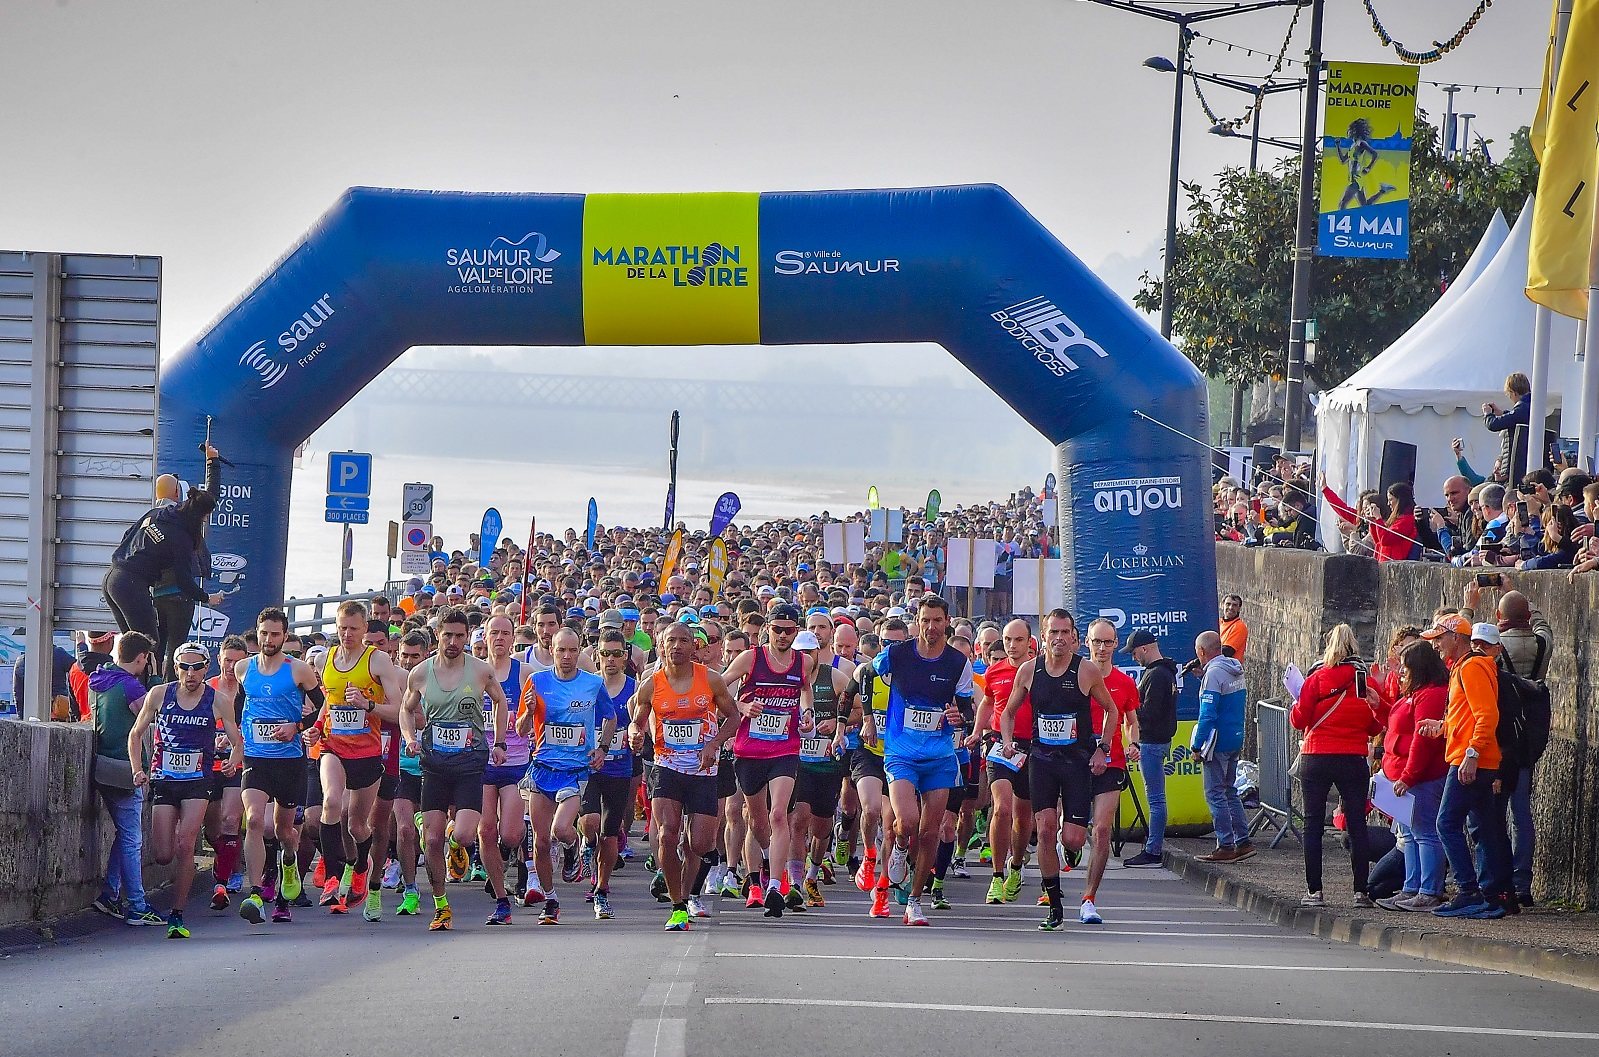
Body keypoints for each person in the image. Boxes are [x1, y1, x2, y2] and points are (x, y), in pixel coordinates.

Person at [1000, 608, 1116, 930]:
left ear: (1074, 638)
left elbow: (1111, 710)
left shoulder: (1086, 670)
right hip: (1043, 761)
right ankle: (1054, 907)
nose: (1059, 639)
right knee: (1046, 827)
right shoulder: (1028, 671)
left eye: (1065, 633)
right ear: (1044, 637)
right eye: (1054, 632)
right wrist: (1008, 741)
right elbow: (1008, 713)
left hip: (1077, 762)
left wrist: (1102, 749)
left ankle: (1071, 848)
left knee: (1075, 839)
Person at [399, 606, 510, 931]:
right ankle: (441, 905)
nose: (452, 641)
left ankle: (453, 835)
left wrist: (500, 742)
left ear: (466, 637)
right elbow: (407, 709)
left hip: (469, 764)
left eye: (459, 636)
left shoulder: (480, 670)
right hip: (433, 764)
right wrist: (409, 737)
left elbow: (501, 701)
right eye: (447, 635)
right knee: (431, 841)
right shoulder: (420, 672)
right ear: (438, 635)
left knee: (462, 835)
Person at [628, 620, 741, 930]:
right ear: (661, 646)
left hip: (704, 770)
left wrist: (714, 744)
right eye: (670, 641)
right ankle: (677, 905)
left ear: (695, 647)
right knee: (666, 832)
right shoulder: (651, 684)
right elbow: (637, 721)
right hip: (667, 767)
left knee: (701, 844)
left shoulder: (712, 680)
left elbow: (734, 717)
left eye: (682, 641)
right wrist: (635, 734)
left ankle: (689, 889)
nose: (676, 646)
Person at [871, 594, 975, 927]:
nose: (931, 627)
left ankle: (914, 901)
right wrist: (868, 720)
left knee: (931, 833)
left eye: (937, 620)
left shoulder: (958, 662)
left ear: (947, 622)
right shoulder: (898, 654)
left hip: (940, 756)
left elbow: (968, 709)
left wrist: (962, 719)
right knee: (908, 822)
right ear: (917, 621)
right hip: (901, 752)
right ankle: (900, 846)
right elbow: (864, 673)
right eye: (925, 620)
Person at [127, 641, 243, 938]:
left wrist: (232, 761)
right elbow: (136, 733)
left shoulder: (217, 700)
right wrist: (137, 769)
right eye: (184, 667)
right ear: (176, 668)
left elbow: (236, 738)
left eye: (197, 668)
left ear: (207, 668)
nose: (190, 673)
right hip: (165, 779)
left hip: (198, 781)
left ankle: (177, 915)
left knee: (185, 844)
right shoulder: (158, 694)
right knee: (164, 854)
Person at [306, 600, 403, 919]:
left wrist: (367, 704)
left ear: (365, 629)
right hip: (334, 747)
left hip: (368, 753)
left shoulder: (379, 662)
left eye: (353, 628)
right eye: (342, 628)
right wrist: (317, 729)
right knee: (331, 802)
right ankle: (333, 876)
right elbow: (329, 705)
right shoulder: (327, 658)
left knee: (357, 824)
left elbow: (399, 710)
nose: (347, 634)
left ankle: (361, 866)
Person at [720, 602, 815, 919]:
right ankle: (762, 859)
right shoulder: (752, 657)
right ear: (768, 630)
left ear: (796, 632)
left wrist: (808, 712)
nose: (784, 636)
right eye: (778, 630)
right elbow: (721, 686)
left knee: (778, 816)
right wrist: (741, 708)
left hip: (785, 749)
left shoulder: (803, 661)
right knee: (757, 821)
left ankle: (776, 884)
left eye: (790, 631)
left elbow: (805, 691)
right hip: (749, 751)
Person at [1417, 615, 1514, 918]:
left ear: (1456, 639)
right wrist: (1444, 727)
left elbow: (1487, 715)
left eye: (1439, 639)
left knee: (1446, 823)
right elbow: (1469, 715)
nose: (1435, 645)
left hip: (1470, 759)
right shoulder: (1466, 667)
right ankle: (1493, 893)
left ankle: (1468, 890)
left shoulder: (1471, 667)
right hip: (1474, 756)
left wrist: (1471, 753)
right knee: (1484, 827)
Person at [235, 607, 323, 925]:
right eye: (264, 633)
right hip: (256, 759)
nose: (268, 639)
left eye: (275, 634)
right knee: (256, 820)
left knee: (285, 831)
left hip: (289, 761)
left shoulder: (299, 670)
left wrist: (296, 727)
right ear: (257, 633)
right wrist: (236, 742)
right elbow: (237, 707)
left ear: (284, 636)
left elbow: (321, 707)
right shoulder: (244, 668)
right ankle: (256, 893)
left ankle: (287, 871)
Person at [516, 627, 607, 926]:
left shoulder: (593, 684)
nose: (567, 656)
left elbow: (611, 716)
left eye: (572, 650)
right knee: (540, 843)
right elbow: (520, 730)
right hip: (543, 767)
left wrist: (602, 747)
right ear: (551, 651)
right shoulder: (537, 681)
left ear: (580, 651)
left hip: (575, 771)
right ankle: (551, 900)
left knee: (560, 829)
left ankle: (572, 848)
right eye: (561, 650)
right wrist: (529, 712)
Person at [1289, 624, 1382, 908]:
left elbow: (1299, 720)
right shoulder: (1366, 682)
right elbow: (1375, 724)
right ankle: (1360, 892)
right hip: (1353, 757)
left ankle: (1314, 891)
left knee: (1312, 823)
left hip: (1317, 755)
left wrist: (1297, 704)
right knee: (1356, 824)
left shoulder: (1317, 679)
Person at [103, 444, 224, 643]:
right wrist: (206, 598)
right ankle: (151, 675)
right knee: (148, 645)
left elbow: (127, 535)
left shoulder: (156, 514)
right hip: (142, 587)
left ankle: (133, 675)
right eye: (204, 518)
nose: (204, 521)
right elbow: (184, 579)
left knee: (135, 646)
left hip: (113, 578)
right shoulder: (181, 537)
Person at [88, 632, 164, 926]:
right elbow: (154, 712)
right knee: (132, 838)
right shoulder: (131, 686)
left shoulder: (98, 680)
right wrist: (156, 681)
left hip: (102, 765)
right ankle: (137, 904)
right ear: (142, 658)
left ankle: (109, 894)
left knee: (124, 834)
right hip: (126, 768)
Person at [1375, 641, 1450, 911]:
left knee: (1424, 833)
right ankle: (1412, 886)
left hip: (1422, 777)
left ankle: (1428, 889)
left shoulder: (1431, 695)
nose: (1401, 674)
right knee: (1410, 834)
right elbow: (1399, 723)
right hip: (1405, 774)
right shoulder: (1418, 692)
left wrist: (1408, 776)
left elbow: (1423, 741)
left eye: (1406, 669)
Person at [967, 618, 1033, 901]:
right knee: (1001, 808)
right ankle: (996, 876)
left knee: (1022, 815)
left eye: (1018, 640)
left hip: (1032, 746)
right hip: (998, 743)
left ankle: (1016, 865)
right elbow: (987, 702)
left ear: (1030, 643)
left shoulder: (1038, 671)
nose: (1012, 645)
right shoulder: (995, 671)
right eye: (1008, 640)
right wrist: (975, 731)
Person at [1078, 618, 1134, 923]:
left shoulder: (1125, 682)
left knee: (1101, 830)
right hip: (1074, 759)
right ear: (1087, 642)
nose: (1101, 648)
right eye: (1096, 642)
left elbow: (1131, 721)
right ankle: (1068, 845)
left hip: (1111, 761)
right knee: (1070, 835)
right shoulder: (1074, 677)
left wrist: (1133, 742)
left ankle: (1089, 898)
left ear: (1115, 644)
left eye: (1107, 642)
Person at [580, 628, 635, 920]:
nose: (610, 660)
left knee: (610, 833)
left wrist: (638, 734)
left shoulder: (634, 689)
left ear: (625, 657)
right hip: (587, 767)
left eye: (616, 654)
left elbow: (642, 720)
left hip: (619, 767)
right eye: (605, 654)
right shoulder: (587, 685)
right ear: (596, 656)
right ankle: (587, 847)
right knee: (589, 822)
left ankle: (601, 889)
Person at [1192, 630, 1252, 863]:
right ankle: (1243, 841)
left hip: (1216, 742)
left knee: (1214, 793)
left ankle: (1225, 845)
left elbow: (1208, 713)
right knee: (1230, 791)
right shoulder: (1234, 667)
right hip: (1235, 736)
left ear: (1201, 651)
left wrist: (1197, 746)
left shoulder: (1214, 674)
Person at [1123, 628, 1177, 867]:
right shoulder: (1166, 672)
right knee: (1157, 799)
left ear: (1145, 649)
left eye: (1135, 653)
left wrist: (1129, 709)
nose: (1134, 658)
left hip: (1152, 743)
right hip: (1159, 741)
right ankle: (1153, 846)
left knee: (1155, 800)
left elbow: (1150, 713)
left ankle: (1153, 849)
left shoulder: (1155, 676)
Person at [1483, 372, 1532, 486]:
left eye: (1508, 394)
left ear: (1513, 392)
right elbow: (1514, 418)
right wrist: (1502, 413)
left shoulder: (1522, 408)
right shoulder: (1530, 405)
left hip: (1517, 465)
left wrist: (1488, 414)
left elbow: (1493, 425)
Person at [1218, 595, 1247, 660]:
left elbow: (1227, 651)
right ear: (1222, 605)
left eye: (1234, 605)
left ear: (1239, 608)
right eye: (1228, 604)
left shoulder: (1239, 627)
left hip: (1229, 666)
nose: (1231, 607)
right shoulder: (1218, 623)